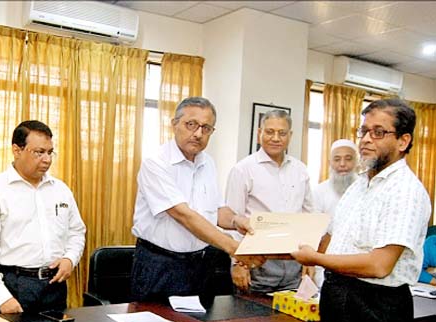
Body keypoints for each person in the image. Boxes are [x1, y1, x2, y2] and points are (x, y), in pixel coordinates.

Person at [291, 98, 431, 322]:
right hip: (339, 298)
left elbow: (379, 265)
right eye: (363, 131)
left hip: (375, 307)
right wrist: (283, 250)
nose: (366, 140)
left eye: (378, 132)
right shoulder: (360, 185)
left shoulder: (405, 192)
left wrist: (315, 259)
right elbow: (332, 237)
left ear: (403, 141)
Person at [130, 96, 258, 303]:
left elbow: (215, 211)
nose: (198, 134)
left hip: (201, 265)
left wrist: (236, 221)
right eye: (191, 125)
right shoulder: (156, 162)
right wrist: (233, 247)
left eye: (206, 128)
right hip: (160, 264)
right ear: (174, 124)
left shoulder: (208, 163)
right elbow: (183, 215)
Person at [0, 120, 86, 314]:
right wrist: (2, 297)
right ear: (17, 150)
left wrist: (69, 258)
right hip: (13, 285)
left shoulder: (61, 190)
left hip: (54, 286)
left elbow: (77, 231)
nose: (47, 160)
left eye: (50, 152)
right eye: (39, 152)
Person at [225, 109, 314, 293]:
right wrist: (238, 262)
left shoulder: (300, 170)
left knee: (290, 320)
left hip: (294, 265)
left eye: (282, 133)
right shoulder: (243, 169)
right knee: (250, 319)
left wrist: (310, 258)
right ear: (260, 133)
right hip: (256, 264)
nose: (275, 138)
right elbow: (233, 219)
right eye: (269, 132)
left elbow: (308, 216)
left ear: (290, 136)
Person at [311, 138, 359, 287]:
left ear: (357, 162)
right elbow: (316, 233)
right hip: (325, 264)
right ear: (330, 162)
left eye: (348, 159)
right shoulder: (319, 191)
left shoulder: (366, 189)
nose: (342, 164)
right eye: (337, 159)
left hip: (359, 265)